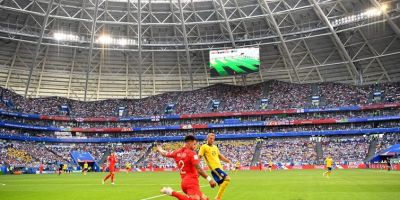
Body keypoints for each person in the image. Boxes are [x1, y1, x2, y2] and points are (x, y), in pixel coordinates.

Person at [157, 135, 217, 200]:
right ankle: (171, 192)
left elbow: (165, 153)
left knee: (204, 199)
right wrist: (209, 179)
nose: (195, 146)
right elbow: (198, 168)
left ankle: (170, 192)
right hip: (191, 183)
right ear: (189, 143)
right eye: (194, 144)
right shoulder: (192, 153)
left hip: (184, 182)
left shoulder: (176, 152)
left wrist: (160, 149)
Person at [199, 133, 232, 200]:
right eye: (210, 138)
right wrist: (195, 166)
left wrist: (227, 160)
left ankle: (218, 198)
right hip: (214, 168)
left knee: (222, 185)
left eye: (213, 139)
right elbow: (199, 156)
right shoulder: (204, 147)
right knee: (227, 179)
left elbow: (219, 156)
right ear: (207, 138)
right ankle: (218, 198)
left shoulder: (215, 147)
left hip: (220, 168)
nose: (212, 140)